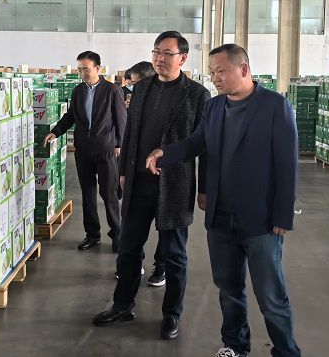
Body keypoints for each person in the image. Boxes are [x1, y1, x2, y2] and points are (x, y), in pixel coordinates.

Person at [145, 43, 301, 357]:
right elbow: (197, 142)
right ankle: (235, 346)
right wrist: (166, 153)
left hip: (260, 220)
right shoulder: (215, 107)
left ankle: (286, 351)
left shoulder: (274, 106)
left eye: (221, 71)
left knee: (270, 296)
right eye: (212, 72)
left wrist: (283, 215)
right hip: (220, 217)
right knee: (229, 289)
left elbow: (287, 164)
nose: (215, 78)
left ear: (243, 69)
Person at [93, 31, 210, 341]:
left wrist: (204, 189)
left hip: (175, 185)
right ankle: (122, 305)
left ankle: (172, 314)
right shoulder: (142, 87)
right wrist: (123, 171)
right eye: (156, 51)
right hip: (138, 183)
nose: (160, 58)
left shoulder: (197, 95)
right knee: (129, 248)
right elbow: (130, 132)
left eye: (167, 53)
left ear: (182, 58)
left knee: (174, 255)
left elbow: (203, 144)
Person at [44, 51, 127, 252]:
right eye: (79, 69)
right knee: (88, 193)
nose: (82, 73)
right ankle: (92, 235)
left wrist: (119, 145)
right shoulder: (78, 91)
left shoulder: (112, 90)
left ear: (98, 68)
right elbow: (71, 115)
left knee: (109, 193)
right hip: (83, 150)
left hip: (106, 150)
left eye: (86, 69)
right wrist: (56, 132)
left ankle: (118, 234)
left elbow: (121, 120)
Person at [126, 60, 165, 287]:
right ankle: (135, 263)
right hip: (138, 175)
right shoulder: (138, 98)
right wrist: (124, 171)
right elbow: (129, 135)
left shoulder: (168, 98)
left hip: (164, 176)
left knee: (165, 227)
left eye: (136, 83)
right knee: (134, 228)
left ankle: (161, 267)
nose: (134, 88)